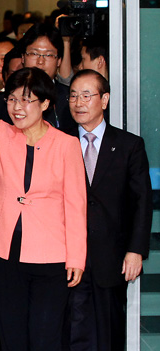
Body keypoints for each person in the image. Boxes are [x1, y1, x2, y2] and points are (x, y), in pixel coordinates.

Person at [0, 65, 87, 351]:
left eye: (26, 100)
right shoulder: (0, 135)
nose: (17, 107)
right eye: (12, 99)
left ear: (45, 103)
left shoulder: (67, 145)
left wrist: (77, 257)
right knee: (12, 336)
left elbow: (76, 203)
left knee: (45, 337)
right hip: (5, 254)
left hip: (52, 258)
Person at [66, 69, 152, 351]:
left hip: (112, 257)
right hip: (68, 256)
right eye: (73, 95)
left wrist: (135, 250)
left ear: (104, 100)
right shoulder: (59, 143)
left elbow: (141, 201)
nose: (78, 102)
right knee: (72, 331)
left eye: (86, 95)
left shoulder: (129, 145)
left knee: (110, 331)